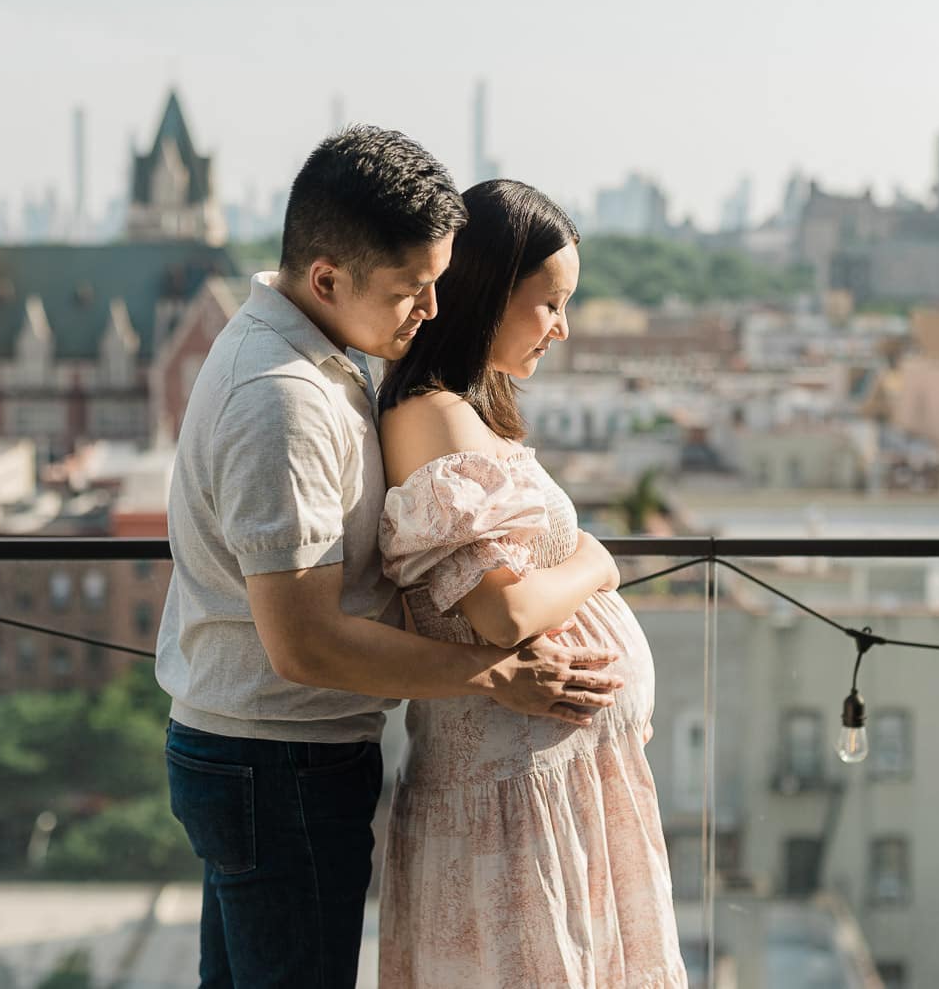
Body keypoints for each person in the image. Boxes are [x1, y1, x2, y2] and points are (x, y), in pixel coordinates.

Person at [155, 130, 627, 989]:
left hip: (270, 756)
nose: (435, 312)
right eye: (413, 290)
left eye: (440, 284)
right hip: (279, 761)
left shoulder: (312, 357)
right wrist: (494, 677)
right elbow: (305, 644)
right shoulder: (281, 401)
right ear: (327, 278)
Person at [375, 179, 686, 988]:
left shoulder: (469, 412)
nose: (562, 327)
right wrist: (596, 562)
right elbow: (503, 611)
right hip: (511, 814)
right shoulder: (433, 413)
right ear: (486, 293)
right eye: (548, 303)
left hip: (551, 795)